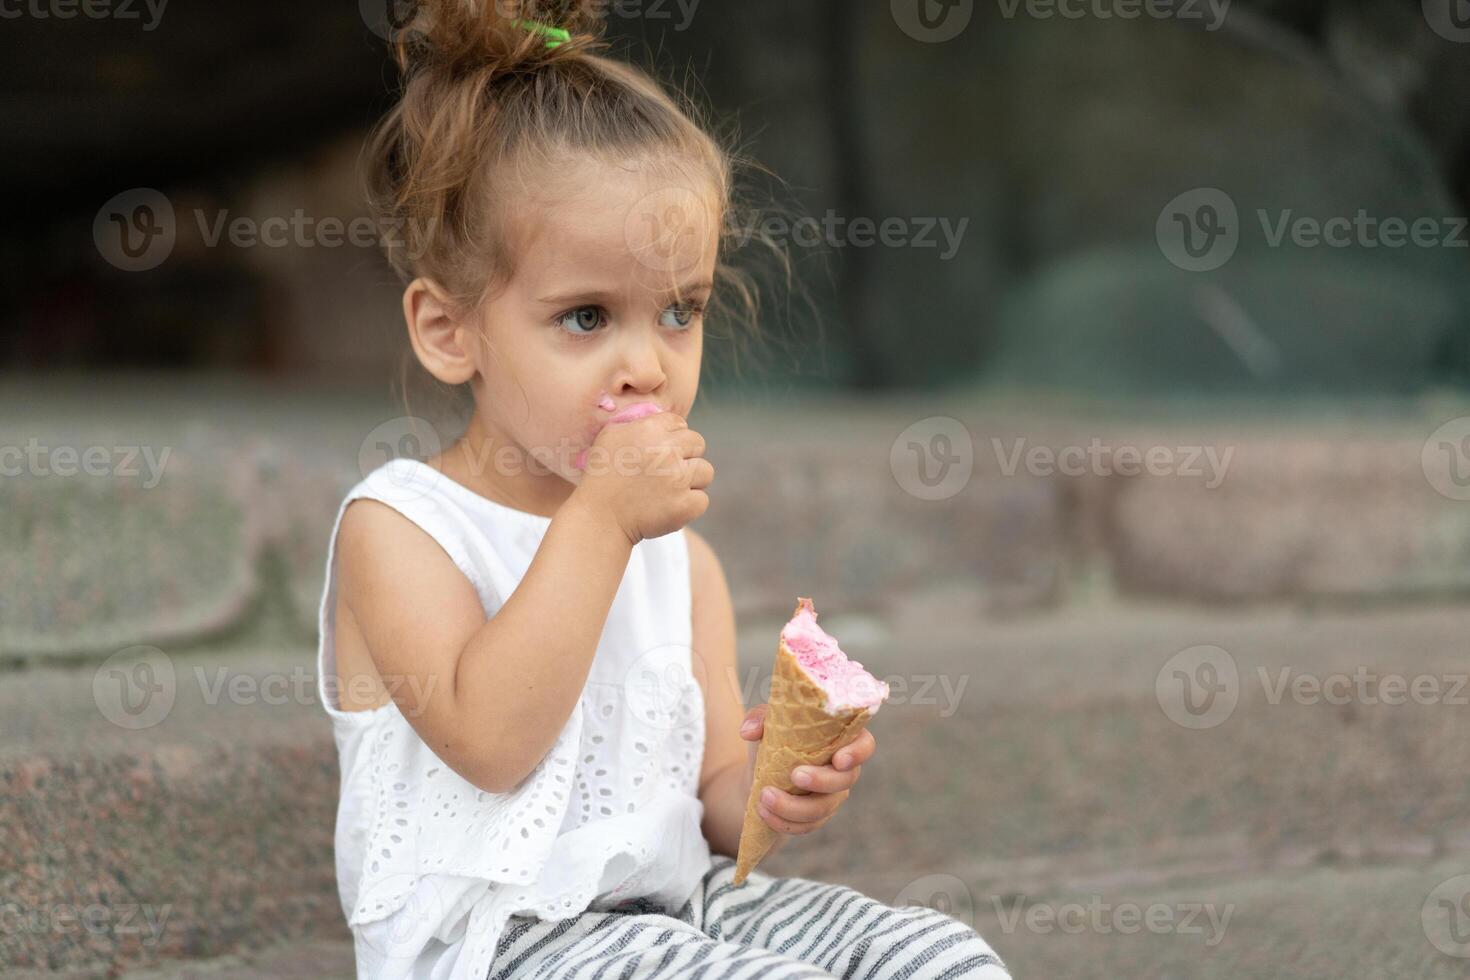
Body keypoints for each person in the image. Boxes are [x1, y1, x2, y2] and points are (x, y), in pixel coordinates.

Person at [316, 2, 1010, 976]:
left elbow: (711, 798)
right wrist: (600, 519)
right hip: (495, 942)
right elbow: (490, 740)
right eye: (586, 315)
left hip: (680, 907)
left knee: (935, 952)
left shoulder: (682, 562)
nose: (646, 363)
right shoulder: (402, 529)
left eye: (680, 310)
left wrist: (775, 788)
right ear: (450, 330)